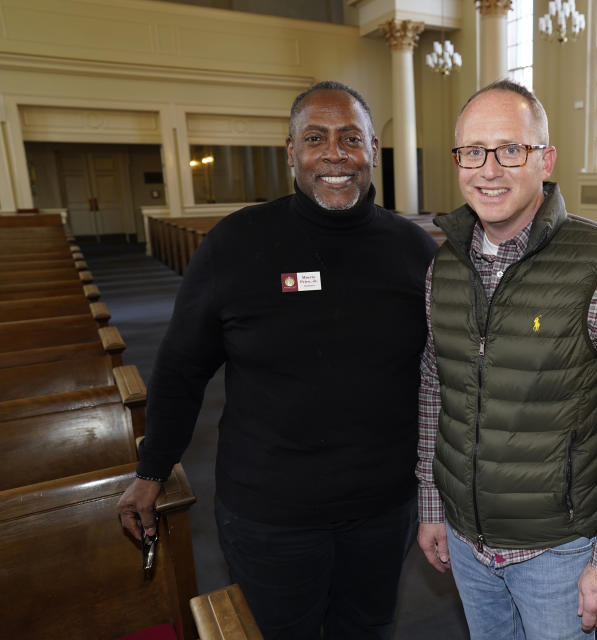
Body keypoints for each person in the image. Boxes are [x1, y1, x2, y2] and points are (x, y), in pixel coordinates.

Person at [117, 81, 437, 639]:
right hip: (270, 515)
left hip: (383, 509)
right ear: (290, 152)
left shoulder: (414, 252)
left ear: (372, 148)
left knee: (368, 629)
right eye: (316, 139)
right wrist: (153, 467)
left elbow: (444, 377)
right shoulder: (236, 244)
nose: (335, 154)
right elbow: (181, 369)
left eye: (350, 139)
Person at [415, 79, 597, 639]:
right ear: (457, 161)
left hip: (559, 551)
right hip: (465, 540)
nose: (489, 169)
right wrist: (433, 503)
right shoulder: (446, 266)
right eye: (472, 152)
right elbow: (438, 389)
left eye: (511, 150)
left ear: (545, 159)